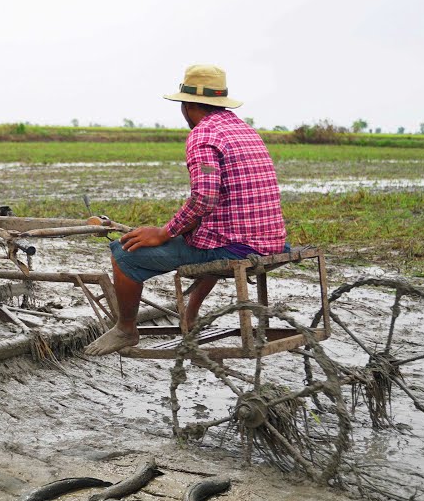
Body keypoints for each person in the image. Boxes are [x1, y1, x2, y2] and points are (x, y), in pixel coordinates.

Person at [84, 64, 287, 356]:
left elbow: (204, 198)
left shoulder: (203, 135)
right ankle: (190, 315)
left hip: (237, 247)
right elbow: (212, 203)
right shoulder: (245, 130)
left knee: (123, 252)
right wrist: (175, 230)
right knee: (201, 235)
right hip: (272, 242)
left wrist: (163, 232)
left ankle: (125, 329)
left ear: (188, 106)